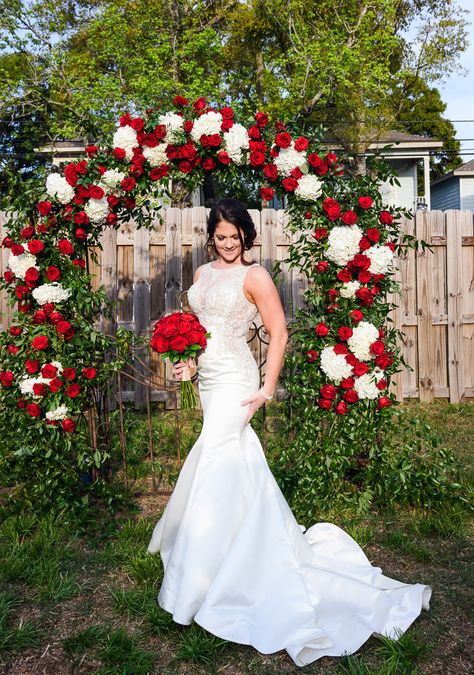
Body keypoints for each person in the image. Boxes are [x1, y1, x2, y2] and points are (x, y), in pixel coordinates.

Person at [147, 198, 431, 667]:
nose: (226, 245)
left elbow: (278, 333)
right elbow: (201, 331)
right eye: (219, 237)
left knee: (216, 455)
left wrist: (267, 389)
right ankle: (230, 552)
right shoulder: (201, 276)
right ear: (211, 235)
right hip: (210, 381)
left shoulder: (254, 276)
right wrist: (187, 363)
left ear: (246, 236)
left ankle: (204, 576)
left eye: (234, 238)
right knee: (229, 464)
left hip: (239, 381)